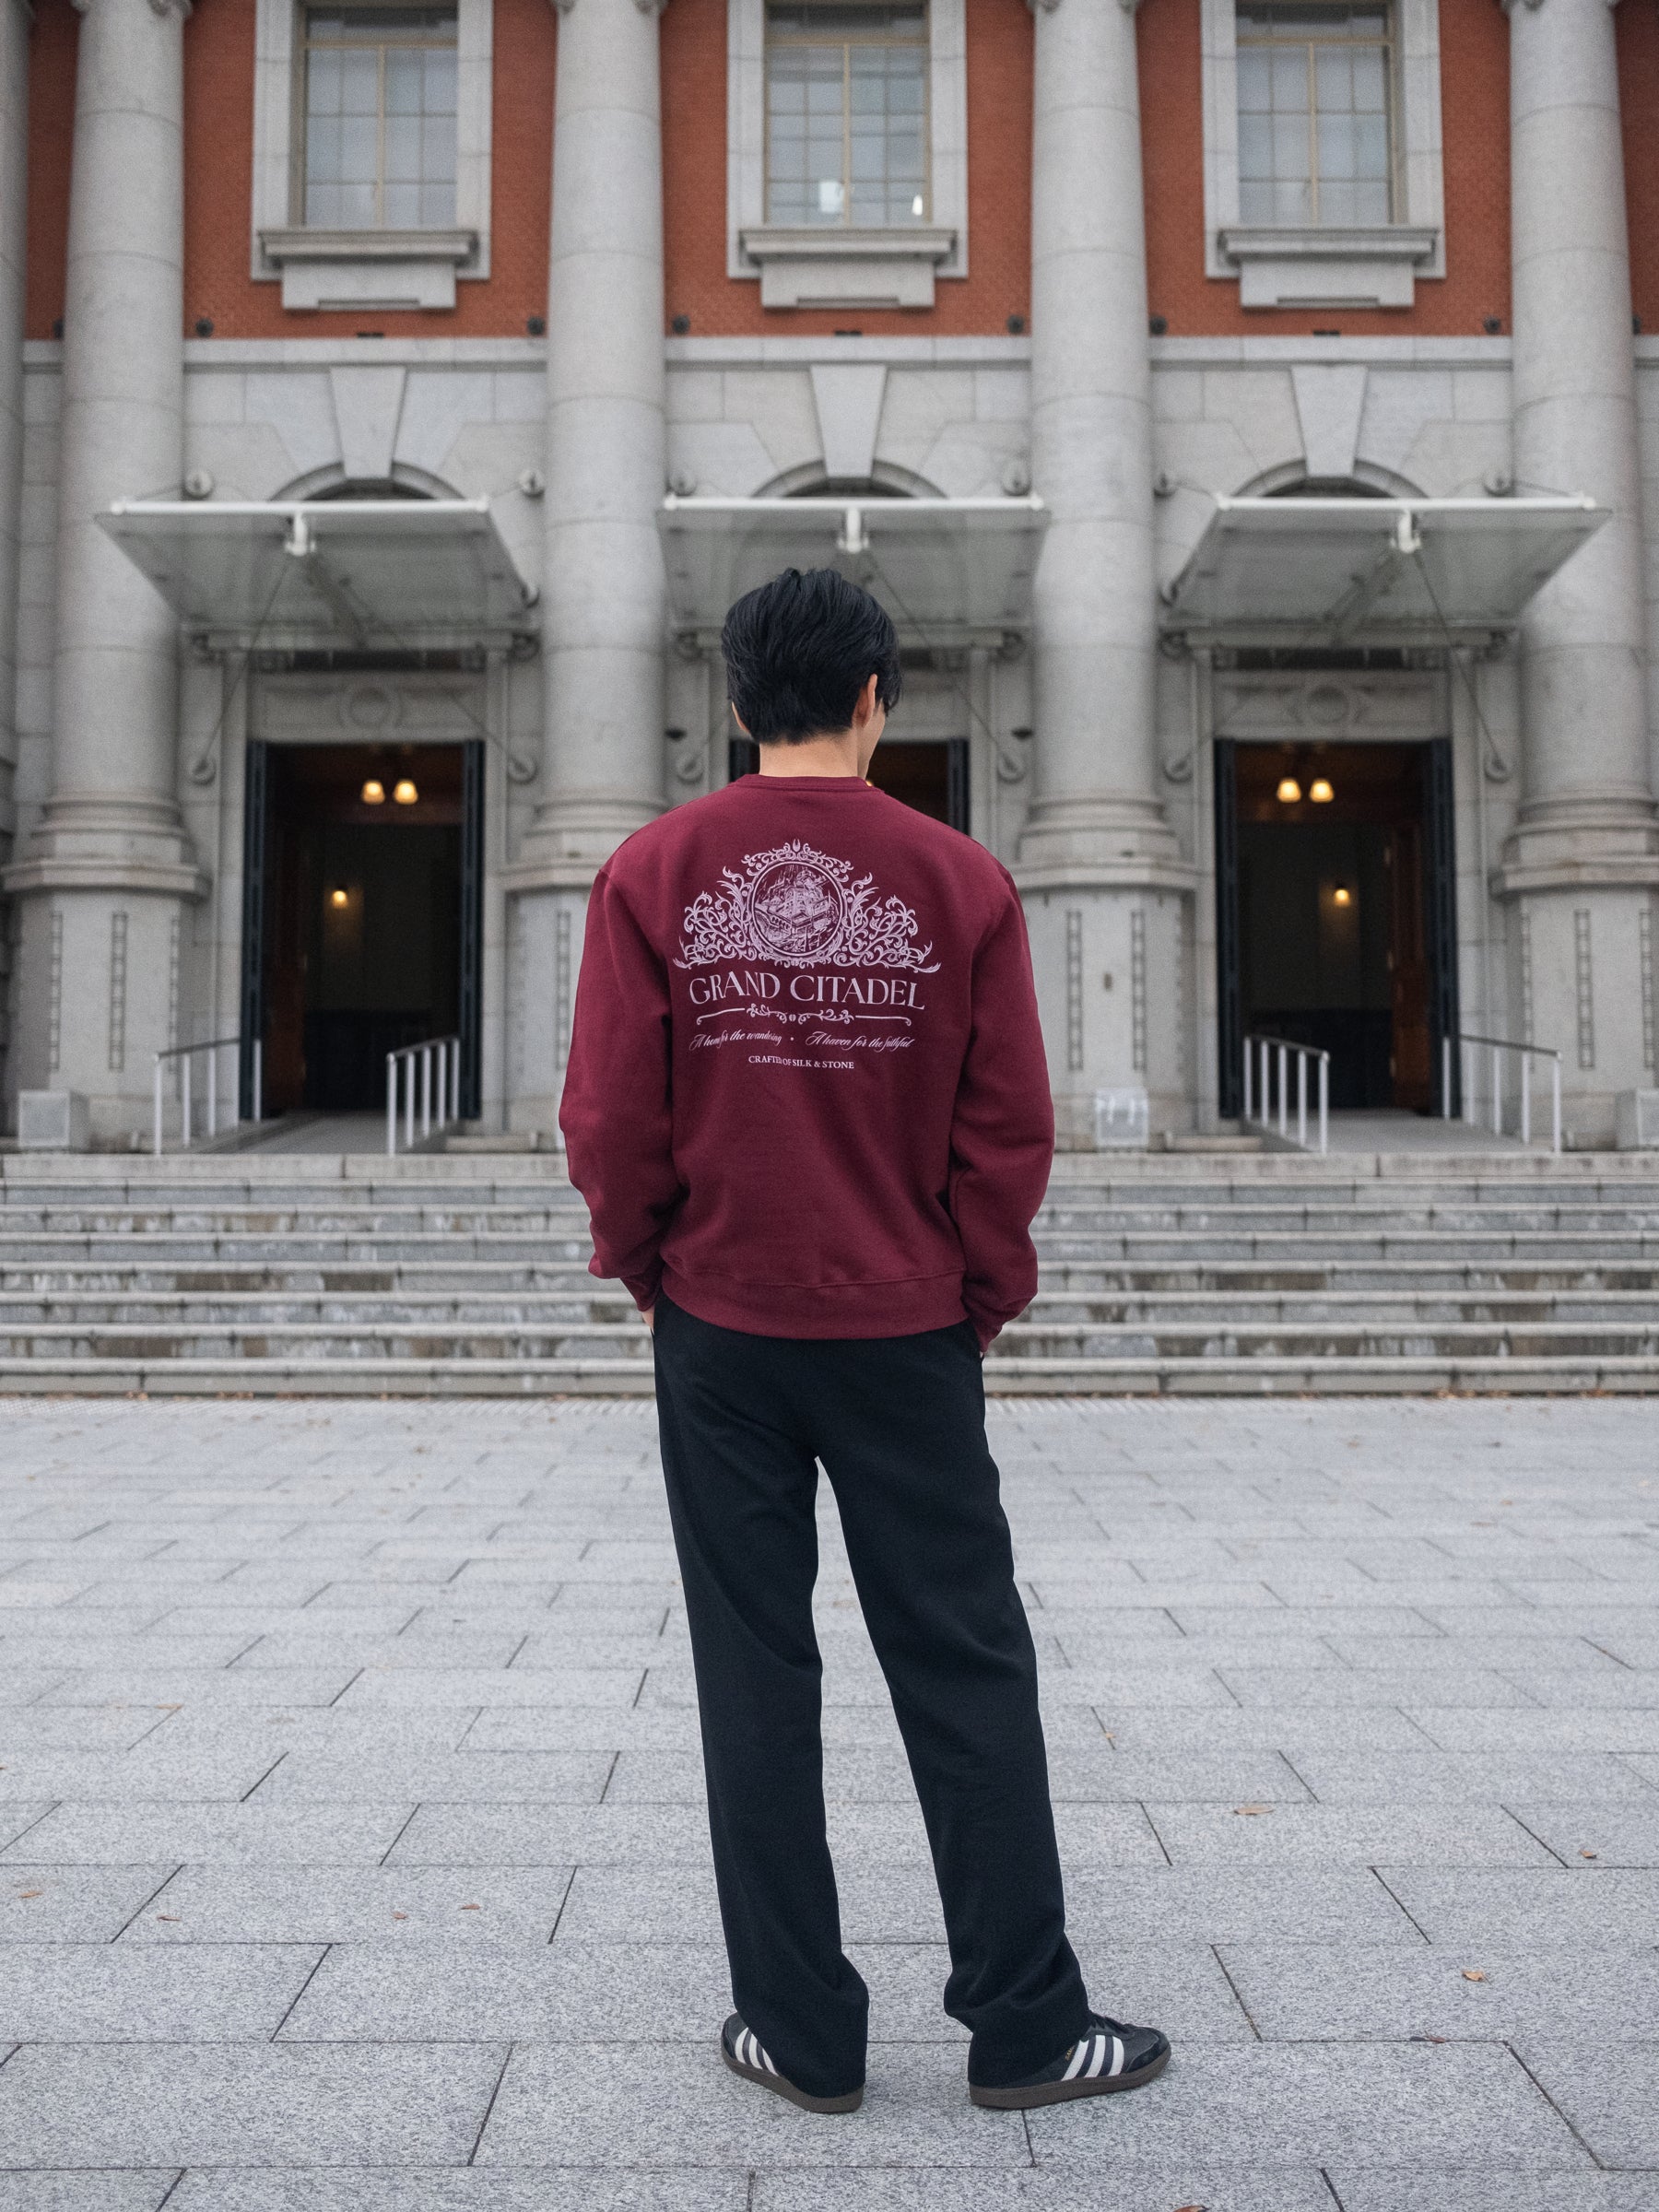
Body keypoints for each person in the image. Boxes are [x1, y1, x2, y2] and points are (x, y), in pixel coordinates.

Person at [559, 566, 1170, 2116]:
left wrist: (649, 1267)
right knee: (965, 1665)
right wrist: (975, 1294)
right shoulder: (961, 879)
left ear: (736, 700)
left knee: (751, 1675)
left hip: (721, 1324)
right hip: (904, 1328)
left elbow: (613, 1118)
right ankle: (1028, 2029)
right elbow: (1008, 1127)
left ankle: (801, 2031)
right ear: (879, 696)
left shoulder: (653, 871)